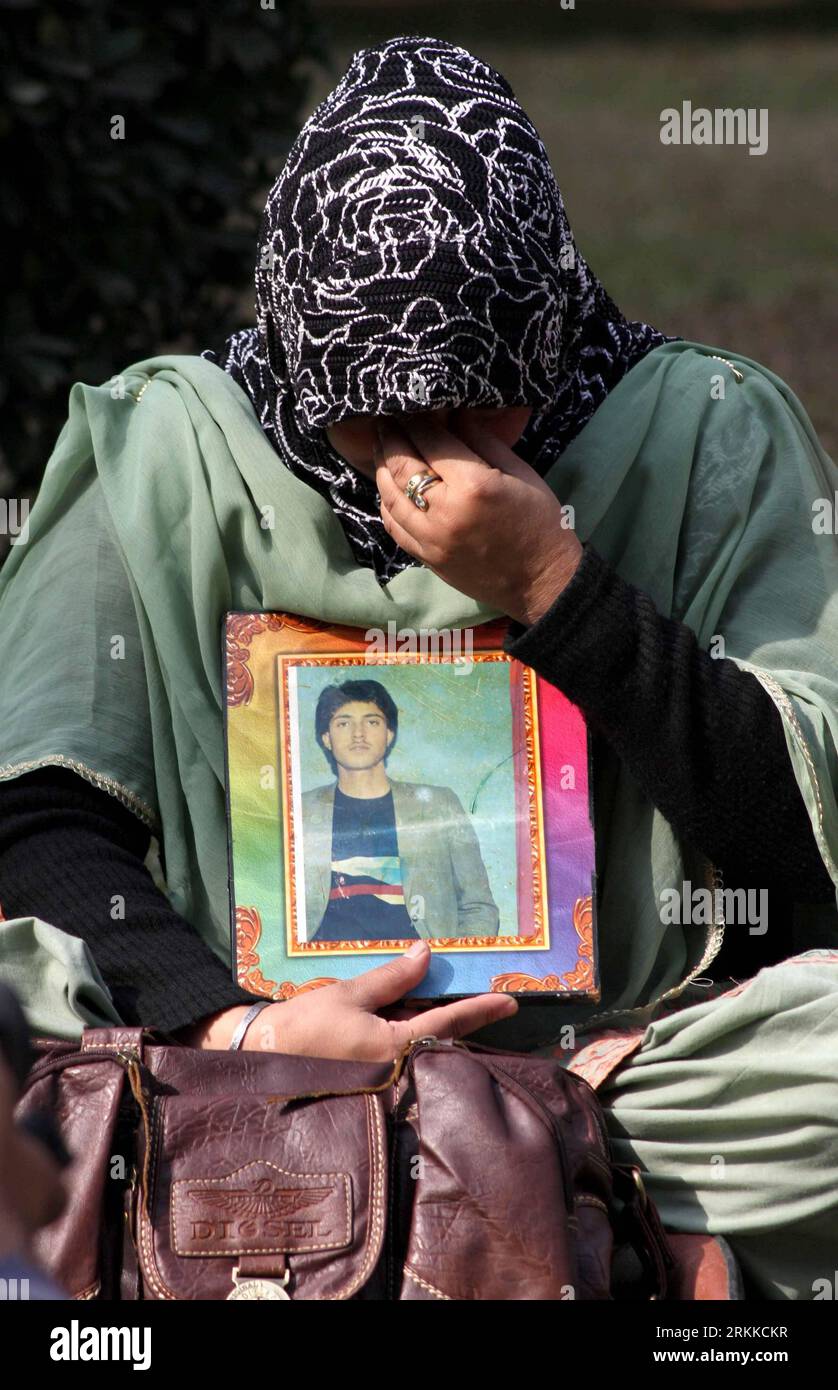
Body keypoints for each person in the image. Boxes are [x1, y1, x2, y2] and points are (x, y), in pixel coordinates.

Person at [0, 36, 836, 1299]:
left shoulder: (705, 432)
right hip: (223, 1062)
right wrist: (249, 1030)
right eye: (372, 414)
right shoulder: (171, 450)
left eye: (482, 405)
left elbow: (804, 853)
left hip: (634, 1070)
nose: (424, 459)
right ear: (296, 349)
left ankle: (566, 1172)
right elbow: (36, 816)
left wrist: (557, 585)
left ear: (548, 340)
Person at [302, 679, 500, 941]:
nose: (358, 733)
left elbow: (478, 907)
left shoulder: (439, 805)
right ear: (326, 738)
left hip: (422, 969)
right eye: (343, 723)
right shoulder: (299, 812)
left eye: (372, 722)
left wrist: (456, 969)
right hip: (327, 974)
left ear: (390, 734)